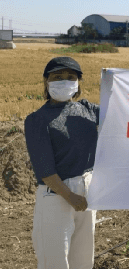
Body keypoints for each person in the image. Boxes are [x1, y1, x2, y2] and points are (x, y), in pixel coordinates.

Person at [24, 57, 100, 269]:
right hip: (56, 194)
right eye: (57, 77)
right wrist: (70, 196)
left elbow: (119, 115)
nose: (64, 82)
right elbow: (45, 169)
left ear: (78, 83)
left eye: (70, 77)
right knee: (54, 259)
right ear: (46, 81)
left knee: (83, 257)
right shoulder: (37, 120)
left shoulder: (87, 109)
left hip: (87, 189)